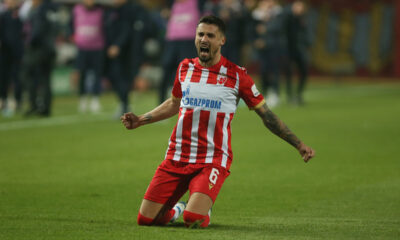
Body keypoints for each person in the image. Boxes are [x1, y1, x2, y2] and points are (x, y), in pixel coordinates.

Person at [121, 15, 315, 228]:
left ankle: (200, 209)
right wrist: (141, 120)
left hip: (212, 159)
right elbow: (174, 103)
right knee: (146, 220)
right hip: (177, 155)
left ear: (222, 40)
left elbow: (266, 115)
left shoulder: (237, 75)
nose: (204, 39)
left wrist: (298, 144)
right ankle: (178, 208)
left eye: (210, 35)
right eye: (200, 34)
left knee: (193, 220)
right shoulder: (184, 68)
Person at [104, 0, 148, 118]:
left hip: (127, 52)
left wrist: (118, 45)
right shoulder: (111, 11)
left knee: (123, 78)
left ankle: (124, 104)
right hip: (111, 51)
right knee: (114, 77)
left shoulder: (131, 9)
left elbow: (128, 30)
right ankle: (124, 103)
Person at [22, 0, 58, 117]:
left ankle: (34, 105)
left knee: (29, 76)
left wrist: (29, 42)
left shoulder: (40, 10)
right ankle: (45, 107)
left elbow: (37, 31)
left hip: (38, 50)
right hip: (50, 49)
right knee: (46, 80)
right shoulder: (52, 9)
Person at [70, 0, 105, 114]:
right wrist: (72, 36)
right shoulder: (76, 10)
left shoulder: (100, 12)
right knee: (82, 74)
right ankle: (83, 99)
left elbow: (105, 28)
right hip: (82, 48)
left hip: (97, 48)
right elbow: (70, 26)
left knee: (97, 74)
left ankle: (95, 100)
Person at [0, 0, 24, 116]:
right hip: (5, 52)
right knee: (3, 77)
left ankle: (17, 101)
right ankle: (3, 99)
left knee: (17, 77)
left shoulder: (21, 15)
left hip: (17, 52)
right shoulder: (3, 15)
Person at [284, 0, 310, 105]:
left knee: (304, 71)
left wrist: (306, 44)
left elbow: (305, 34)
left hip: (299, 49)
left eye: (300, 7)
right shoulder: (288, 18)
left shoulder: (302, 19)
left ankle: (298, 94)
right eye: (297, 6)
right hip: (289, 50)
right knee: (289, 72)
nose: (298, 9)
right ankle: (290, 95)